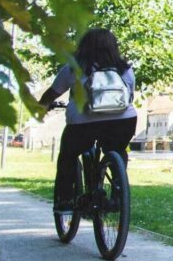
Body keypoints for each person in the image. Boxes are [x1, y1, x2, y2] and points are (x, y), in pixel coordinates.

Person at [38, 28, 137, 215]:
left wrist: (41, 106)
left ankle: (65, 201)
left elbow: (53, 93)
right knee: (117, 150)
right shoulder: (125, 69)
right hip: (122, 121)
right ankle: (118, 193)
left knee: (68, 156)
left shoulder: (73, 68)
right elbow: (129, 96)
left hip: (83, 123)